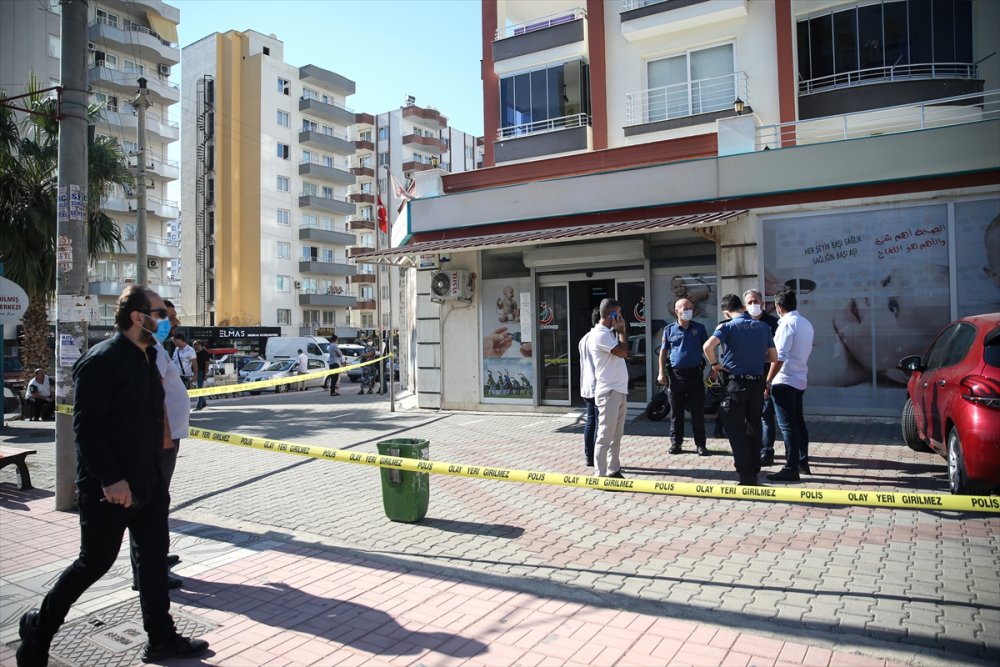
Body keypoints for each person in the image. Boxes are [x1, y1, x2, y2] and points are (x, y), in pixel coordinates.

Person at [16, 285, 209, 666]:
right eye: (160, 313)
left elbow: (153, 417)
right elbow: (87, 428)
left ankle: (161, 639)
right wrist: (111, 480)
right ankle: (38, 633)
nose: (167, 320)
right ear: (138, 317)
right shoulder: (101, 360)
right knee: (94, 563)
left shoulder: (150, 355)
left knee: (153, 562)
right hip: (111, 490)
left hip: (150, 483)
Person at [131, 300, 186, 593]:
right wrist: (163, 438)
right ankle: (149, 572)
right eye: (170, 318)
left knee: (155, 504)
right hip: (158, 439)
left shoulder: (157, 350)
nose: (175, 324)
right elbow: (152, 398)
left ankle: (156, 560)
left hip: (166, 437)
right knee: (150, 507)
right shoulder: (147, 352)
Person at [703, 293, 777, 486]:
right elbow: (773, 356)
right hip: (757, 384)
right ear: (743, 308)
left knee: (735, 430)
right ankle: (754, 468)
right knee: (754, 426)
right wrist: (754, 358)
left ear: (726, 312)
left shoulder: (726, 326)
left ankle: (746, 476)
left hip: (735, 385)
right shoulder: (763, 326)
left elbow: (707, 347)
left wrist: (715, 364)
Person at [765, 288, 815, 482]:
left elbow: (779, 357)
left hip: (784, 380)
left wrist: (767, 380)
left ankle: (790, 467)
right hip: (799, 378)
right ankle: (802, 462)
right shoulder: (805, 323)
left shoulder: (787, 324)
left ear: (778, 307)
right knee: (798, 423)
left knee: (787, 426)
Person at [657, 298, 710, 456]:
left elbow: (707, 348)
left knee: (697, 412)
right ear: (676, 311)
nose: (688, 310)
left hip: (695, 374)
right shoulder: (669, 330)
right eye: (685, 308)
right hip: (676, 376)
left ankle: (700, 444)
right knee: (676, 412)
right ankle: (676, 443)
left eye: (690, 308)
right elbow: (663, 352)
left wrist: (714, 366)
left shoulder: (700, 328)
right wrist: (661, 372)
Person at [587, 298, 629, 479]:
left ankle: (614, 470)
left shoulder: (609, 333)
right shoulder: (600, 334)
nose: (621, 318)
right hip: (609, 391)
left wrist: (618, 332)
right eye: (618, 314)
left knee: (616, 435)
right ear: (612, 315)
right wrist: (622, 332)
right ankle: (601, 474)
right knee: (605, 435)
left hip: (618, 390)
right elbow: (623, 352)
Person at [744, 289, 780, 466]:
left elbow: (778, 354)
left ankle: (767, 451)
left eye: (756, 301)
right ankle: (752, 449)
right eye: (749, 302)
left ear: (763, 303)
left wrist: (769, 380)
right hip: (745, 377)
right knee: (749, 416)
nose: (753, 305)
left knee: (766, 415)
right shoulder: (741, 323)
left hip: (767, 375)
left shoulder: (774, 323)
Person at [578, 308, 600, 468]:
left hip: (586, 385)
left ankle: (589, 457)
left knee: (591, 421)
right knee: (600, 424)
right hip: (598, 386)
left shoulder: (584, 339)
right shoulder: (599, 337)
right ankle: (598, 457)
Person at [192, 338, 210, 411]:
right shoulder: (194, 353)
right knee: (198, 388)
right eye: (193, 345)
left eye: (195, 345)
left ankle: (199, 405)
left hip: (201, 372)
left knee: (199, 389)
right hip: (195, 372)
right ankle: (204, 403)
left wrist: (205, 374)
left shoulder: (205, 353)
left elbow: (207, 364)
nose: (194, 346)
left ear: (199, 345)